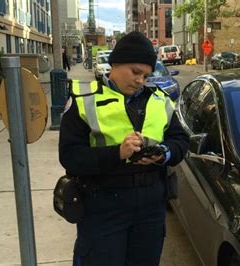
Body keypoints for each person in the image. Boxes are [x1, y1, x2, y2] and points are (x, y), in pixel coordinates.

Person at [59, 31, 190, 266]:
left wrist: (164, 153)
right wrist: (118, 153)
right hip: (103, 205)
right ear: (115, 64)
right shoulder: (83, 99)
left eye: (146, 75)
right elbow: (70, 156)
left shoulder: (161, 100)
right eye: (135, 72)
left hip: (151, 206)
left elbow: (180, 140)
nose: (140, 80)